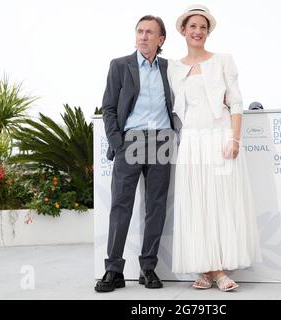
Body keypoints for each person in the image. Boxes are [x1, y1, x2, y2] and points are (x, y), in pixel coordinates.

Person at [168, 4, 261, 291]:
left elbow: (235, 103)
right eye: (193, 26)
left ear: (208, 32)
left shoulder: (223, 61)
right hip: (192, 143)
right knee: (197, 206)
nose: (198, 31)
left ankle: (217, 271)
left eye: (203, 27)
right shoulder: (171, 67)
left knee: (221, 204)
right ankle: (208, 270)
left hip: (220, 138)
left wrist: (234, 139)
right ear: (183, 30)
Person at [95, 15, 175, 292]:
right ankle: (113, 270)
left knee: (155, 207)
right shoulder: (120, 66)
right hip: (130, 140)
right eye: (140, 31)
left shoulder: (170, 68)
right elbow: (108, 108)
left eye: (149, 32)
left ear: (160, 39)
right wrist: (118, 144)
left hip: (162, 140)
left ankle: (148, 268)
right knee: (121, 206)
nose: (143, 36)